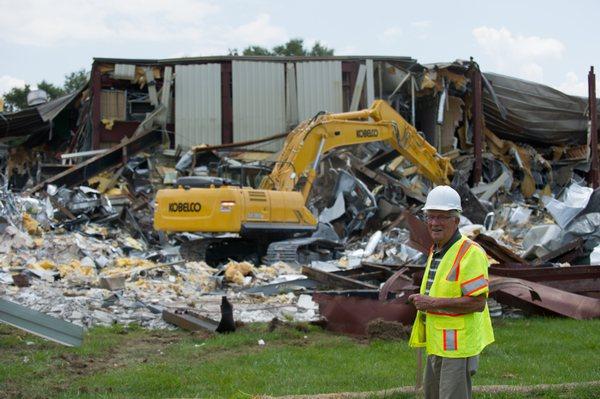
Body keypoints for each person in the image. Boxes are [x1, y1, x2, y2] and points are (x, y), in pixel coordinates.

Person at [408, 185, 494, 399]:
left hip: (457, 347)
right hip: (438, 343)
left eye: (442, 217)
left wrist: (431, 303)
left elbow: (477, 303)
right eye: (430, 217)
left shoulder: (469, 253)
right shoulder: (437, 249)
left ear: (456, 221)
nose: (434, 223)